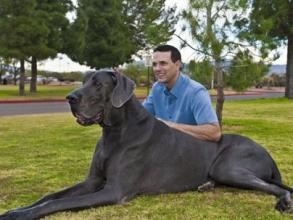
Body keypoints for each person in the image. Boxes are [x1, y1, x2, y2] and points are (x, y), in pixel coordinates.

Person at [142, 45, 221, 142]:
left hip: (192, 153)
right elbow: (140, 116)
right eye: (154, 64)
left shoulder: (196, 92)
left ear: (177, 65)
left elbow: (214, 133)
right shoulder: (156, 88)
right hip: (164, 151)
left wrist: (168, 126)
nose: (157, 69)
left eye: (163, 63)